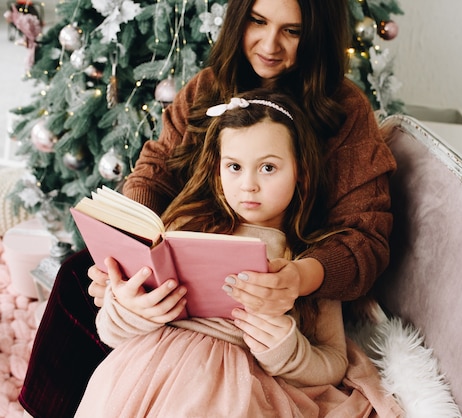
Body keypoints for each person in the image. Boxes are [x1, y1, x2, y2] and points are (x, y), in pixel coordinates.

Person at [19, 0, 396, 415]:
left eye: (293, 30)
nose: (270, 44)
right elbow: (154, 172)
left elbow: (366, 236)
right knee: (77, 276)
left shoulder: (345, 110)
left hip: (287, 265)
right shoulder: (207, 88)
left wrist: (301, 277)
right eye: (258, 21)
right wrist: (129, 253)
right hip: (193, 249)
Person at [74, 90, 401, 417]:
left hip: (238, 385)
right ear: (217, 171)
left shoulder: (309, 258)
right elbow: (112, 332)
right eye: (234, 167)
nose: (248, 185)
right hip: (144, 370)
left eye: (268, 168)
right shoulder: (184, 224)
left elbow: (333, 362)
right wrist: (131, 311)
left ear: (300, 171)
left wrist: (286, 348)